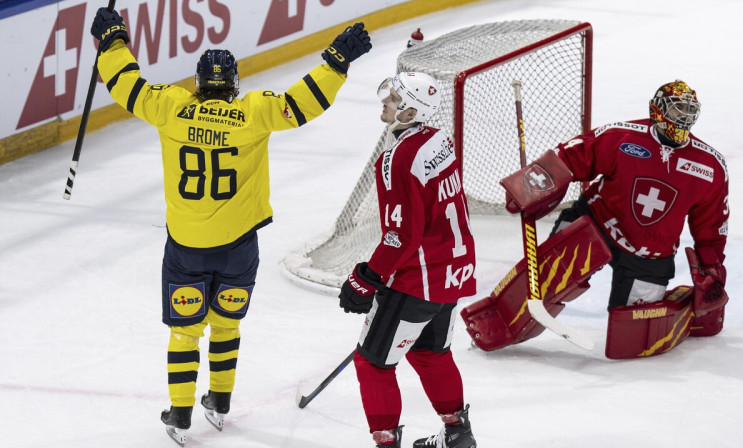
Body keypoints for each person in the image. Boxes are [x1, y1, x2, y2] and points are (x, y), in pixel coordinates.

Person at [89, 8, 371, 446]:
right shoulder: (254, 113)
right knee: (226, 326)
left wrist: (112, 42)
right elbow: (303, 103)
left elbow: (125, 84)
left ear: (198, 84)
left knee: (185, 331)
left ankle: (180, 411)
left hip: (185, 247)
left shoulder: (170, 108)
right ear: (234, 84)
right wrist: (336, 62)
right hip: (239, 248)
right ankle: (219, 402)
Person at [484, 79, 729, 357]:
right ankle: (496, 320)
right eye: (676, 111)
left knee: (633, 342)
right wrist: (530, 185)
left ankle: (682, 306)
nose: (683, 118)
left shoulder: (710, 167)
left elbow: (712, 228)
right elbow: (570, 157)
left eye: (688, 111)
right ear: (657, 110)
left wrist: (712, 270)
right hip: (594, 227)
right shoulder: (621, 137)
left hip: (650, 256)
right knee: (543, 283)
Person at [337, 72, 478, 448]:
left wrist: (367, 277)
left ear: (412, 110)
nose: (385, 103)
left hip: (420, 279)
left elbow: (401, 236)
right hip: (454, 270)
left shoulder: (397, 159)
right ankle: (457, 434)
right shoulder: (439, 140)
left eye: (394, 100)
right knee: (430, 352)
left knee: (372, 363)